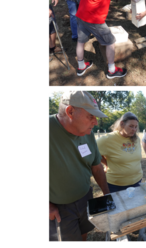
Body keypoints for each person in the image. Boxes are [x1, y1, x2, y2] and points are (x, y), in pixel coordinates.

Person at [49, 91, 110, 241]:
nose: (95, 122)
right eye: (91, 116)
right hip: (59, 206)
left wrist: (107, 194)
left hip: (85, 197)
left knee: (84, 233)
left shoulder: (87, 132)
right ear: (70, 111)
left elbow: (96, 167)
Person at [75, 0, 142, 78]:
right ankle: (112, 70)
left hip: (81, 14)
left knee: (81, 41)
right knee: (111, 41)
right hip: (94, 17)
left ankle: (81, 66)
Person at [97, 112, 143, 193]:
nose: (134, 130)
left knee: (135, 205)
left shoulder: (136, 139)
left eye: (136, 127)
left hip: (137, 182)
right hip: (116, 185)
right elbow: (94, 152)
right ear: (122, 124)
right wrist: (106, 163)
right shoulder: (108, 139)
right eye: (131, 126)